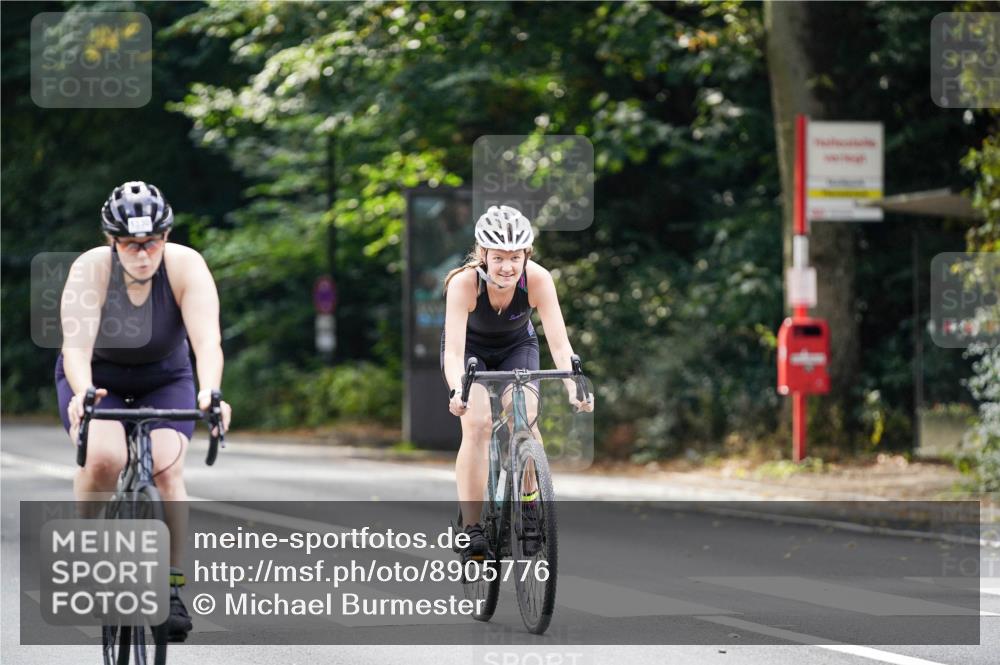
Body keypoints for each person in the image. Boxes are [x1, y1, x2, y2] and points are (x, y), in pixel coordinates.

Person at [56, 181, 232, 642]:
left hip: (165, 377)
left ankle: (172, 587)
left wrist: (211, 392)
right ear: (111, 241)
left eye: (152, 241)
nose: (142, 253)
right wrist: (84, 391)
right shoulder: (90, 269)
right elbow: (75, 347)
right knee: (104, 460)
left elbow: (207, 342)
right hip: (99, 379)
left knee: (167, 470)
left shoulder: (185, 266)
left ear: (166, 237)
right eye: (131, 243)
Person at [440, 205, 593, 560]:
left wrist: (574, 385)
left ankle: (528, 506)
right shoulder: (463, 284)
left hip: (516, 347)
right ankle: (472, 528)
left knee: (524, 412)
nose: (507, 266)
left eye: (515, 257)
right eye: (498, 258)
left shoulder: (538, 279)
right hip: (470, 354)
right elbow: (453, 354)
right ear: (482, 256)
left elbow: (558, 343)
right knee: (476, 425)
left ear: (527, 255)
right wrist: (456, 389)